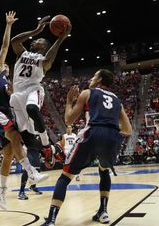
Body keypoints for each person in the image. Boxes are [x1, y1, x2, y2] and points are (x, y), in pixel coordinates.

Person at [42, 70, 132, 226]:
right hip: (112, 137)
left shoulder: (87, 93)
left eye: (94, 76)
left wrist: (69, 100)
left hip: (93, 133)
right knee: (104, 171)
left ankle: (51, 220)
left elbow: (69, 119)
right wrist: (109, 127)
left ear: (99, 80)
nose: (91, 78)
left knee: (65, 177)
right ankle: (103, 212)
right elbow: (128, 130)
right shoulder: (118, 100)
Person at [0, 11, 48, 210]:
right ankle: (31, 172)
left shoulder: (11, 82)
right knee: (14, 135)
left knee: (8, 154)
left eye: (6, 64)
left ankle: (1, 190)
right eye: (4, 62)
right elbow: (6, 45)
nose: (5, 64)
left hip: (5, 110)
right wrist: (9, 25)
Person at [10, 15, 71, 166]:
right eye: (37, 39)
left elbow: (50, 58)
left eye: (41, 41)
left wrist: (60, 39)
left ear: (45, 48)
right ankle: (51, 148)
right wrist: (36, 30)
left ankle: (45, 142)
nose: (37, 40)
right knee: (28, 141)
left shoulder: (43, 61)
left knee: (32, 107)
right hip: (17, 95)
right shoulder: (22, 53)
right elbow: (14, 41)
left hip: (33, 89)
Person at [18, 132, 44, 200]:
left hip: (36, 151)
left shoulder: (38, 130)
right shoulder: (27, 127)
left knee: (37, 170)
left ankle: (33, 186)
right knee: (27, 170)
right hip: (28, 150)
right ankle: (21, 191)